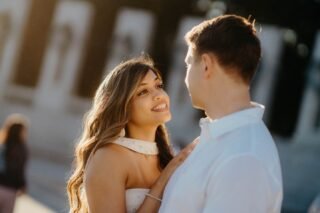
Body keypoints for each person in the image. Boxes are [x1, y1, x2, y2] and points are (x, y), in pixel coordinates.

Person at [159, 14, 283, 213]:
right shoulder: (222, 139)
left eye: (189, 63)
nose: (185, 77)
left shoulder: (244, 158)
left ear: (206, 65)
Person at [67, 56, 196, 213]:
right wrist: (164, 178)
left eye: (158, 85)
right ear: (122, 105)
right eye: (143, 92)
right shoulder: (108, 157)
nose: (159, 95)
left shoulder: (168, 155)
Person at [0, 114, 29, 213]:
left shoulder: (2, 144)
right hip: (10, 188)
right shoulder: (21, 149)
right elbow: (20, 170)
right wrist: (22, 185)